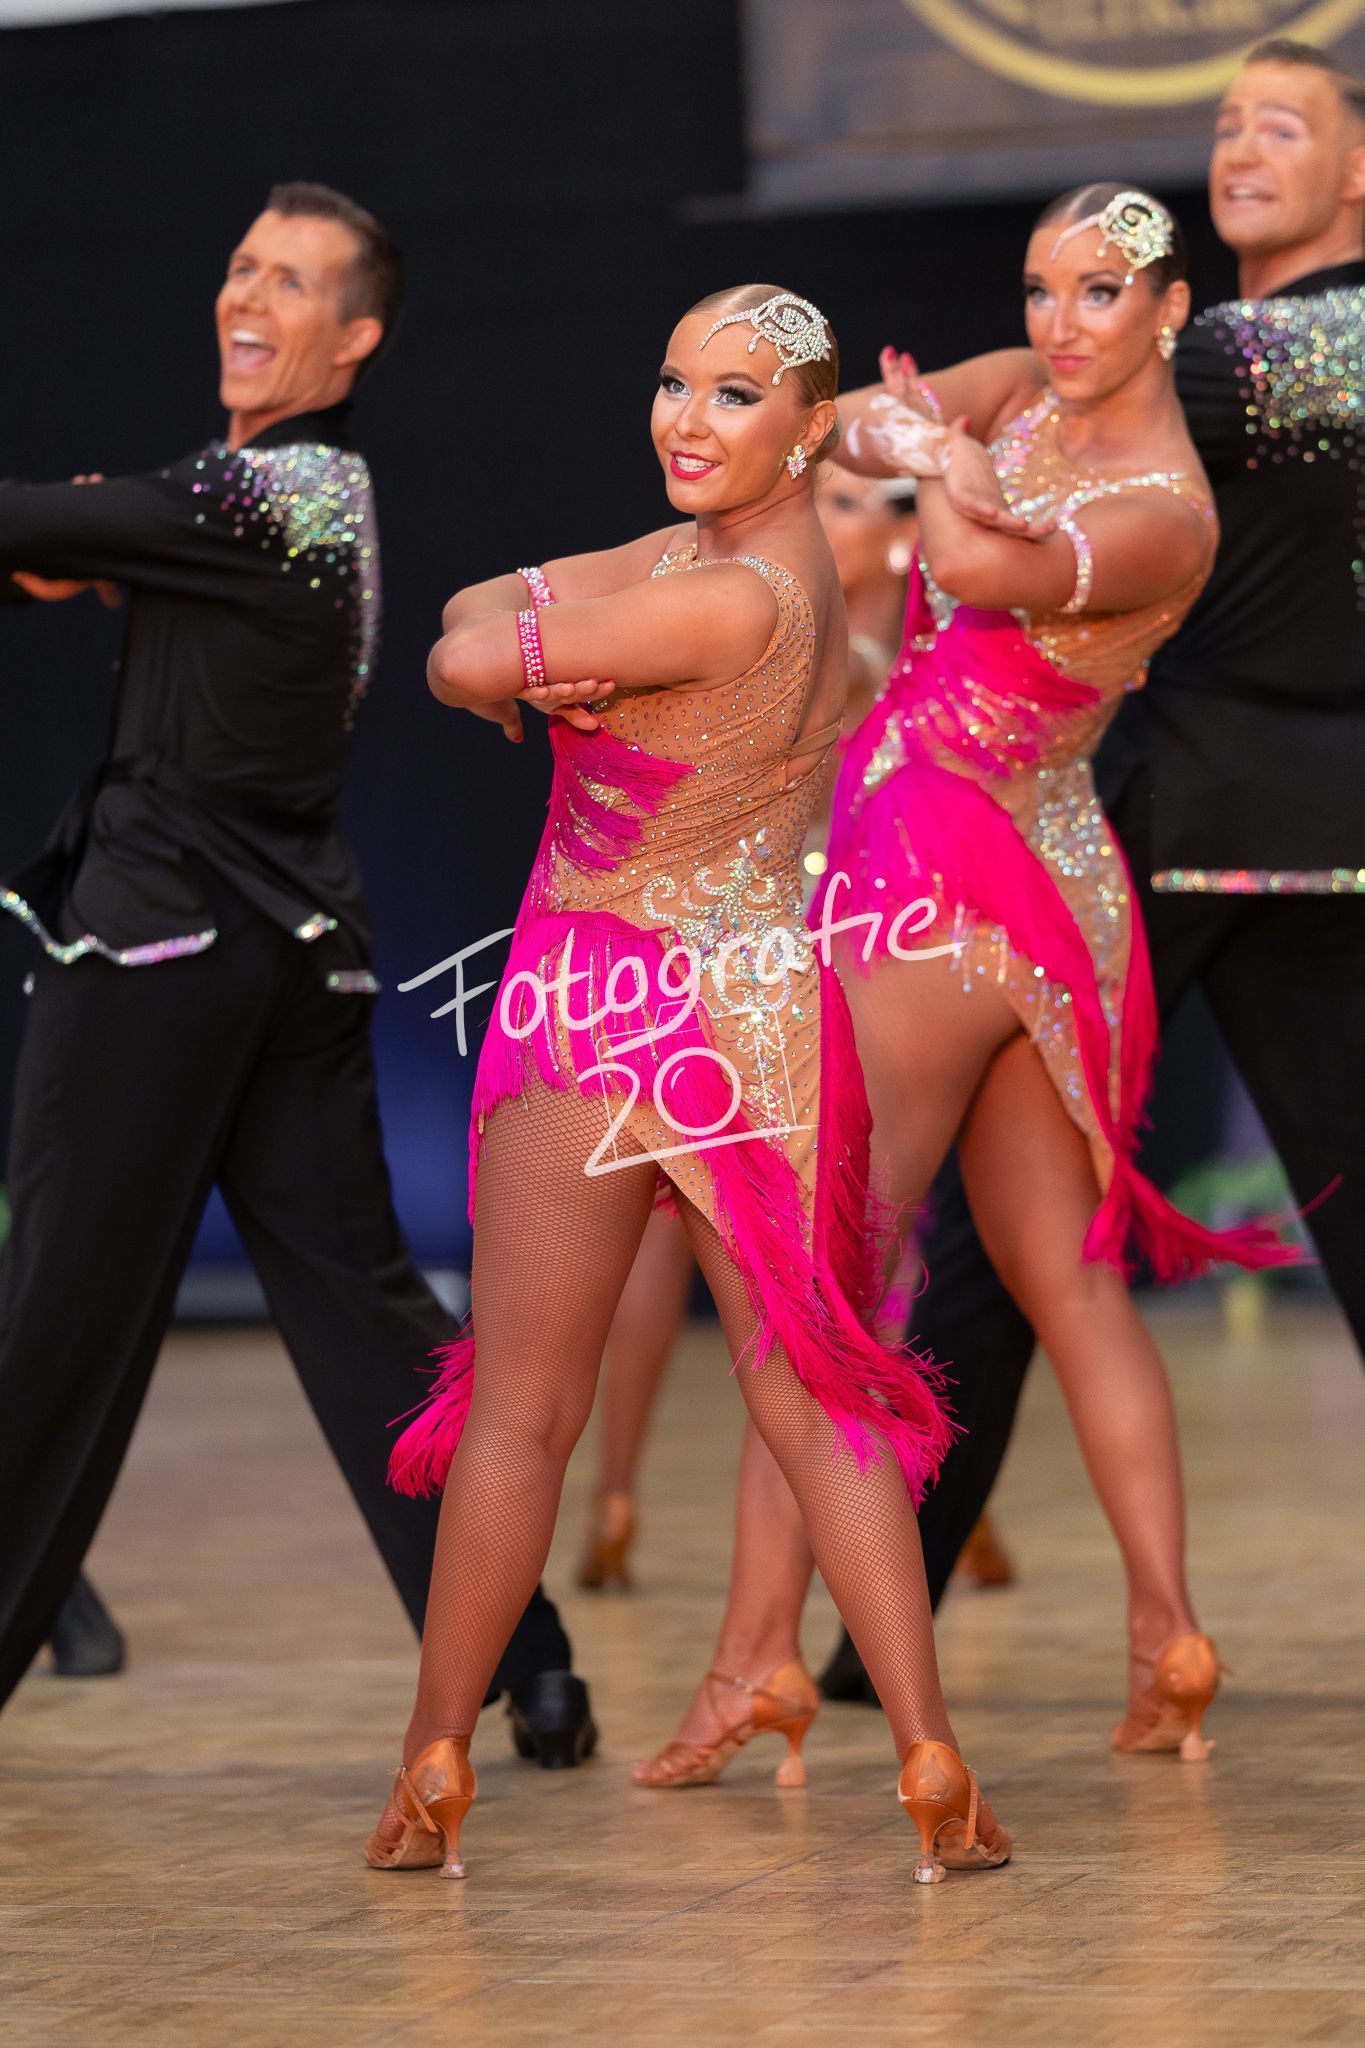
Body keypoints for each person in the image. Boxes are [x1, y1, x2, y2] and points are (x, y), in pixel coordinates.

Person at [639, 188, 1304, 1787]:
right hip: (1038, 881)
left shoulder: (1167, 510)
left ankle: (751, 1662)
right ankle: (1167, 1640)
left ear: (1172, 308)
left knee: (823, 1285)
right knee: (1061, 1282)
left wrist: (944, 469)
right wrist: (922, 441)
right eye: (1039, 289)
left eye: (1098, 293)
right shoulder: (1028, 395)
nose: (1058, 323)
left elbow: (963, 560)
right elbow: (863, 426)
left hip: (943, 875)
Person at [363, 286, 1012, 1887]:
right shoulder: (723, 562)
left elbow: (459, 650)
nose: (686, 418)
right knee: (811, 1397)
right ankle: (928, 1748)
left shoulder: (725, 595)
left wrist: (505, 666)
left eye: (733, 394)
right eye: (672, 381)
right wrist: (503, 648)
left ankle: (434, 1757)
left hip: (593, 1000)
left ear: (809, 426)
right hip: (761, 1009)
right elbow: (465, 611)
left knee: (523, 1412)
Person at [0, 182, 594, 1767]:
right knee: (367, 1320)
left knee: (57, 1324)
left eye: (293, 282)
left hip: (160, 959)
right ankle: (527, 1658)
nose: (250, 298)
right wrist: (97, 537)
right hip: (294, 965)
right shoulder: (292, 497)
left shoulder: (255, 497)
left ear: (357, 334)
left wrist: (87, 530)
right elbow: (72, 540)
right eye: (243, 268)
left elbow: (44, 526)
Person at [819, 35, 1365, 1706]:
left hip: (1165, 821)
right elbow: (944, 413)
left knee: (991, 1241)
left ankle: (866, 1634)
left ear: (1359, 172)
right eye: (1228, 120)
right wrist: (922, 421)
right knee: (1034, 1244)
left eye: (1286, 124)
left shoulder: (1283, 343)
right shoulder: (1195, 347)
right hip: (1287, 830)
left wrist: (931, 424)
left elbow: (986, 405)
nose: (1243, 143)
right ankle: (916, 1622)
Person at [574, 465, 919, 1594]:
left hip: (730, 952)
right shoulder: (855, 662)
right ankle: (642, 1496)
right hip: (786, 969)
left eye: (872, 503)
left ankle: (618, 1494)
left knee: (685, 1231)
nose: (845, 519)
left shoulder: (810, 635)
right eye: (839, 498)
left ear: (906, 539)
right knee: (843, 1244)